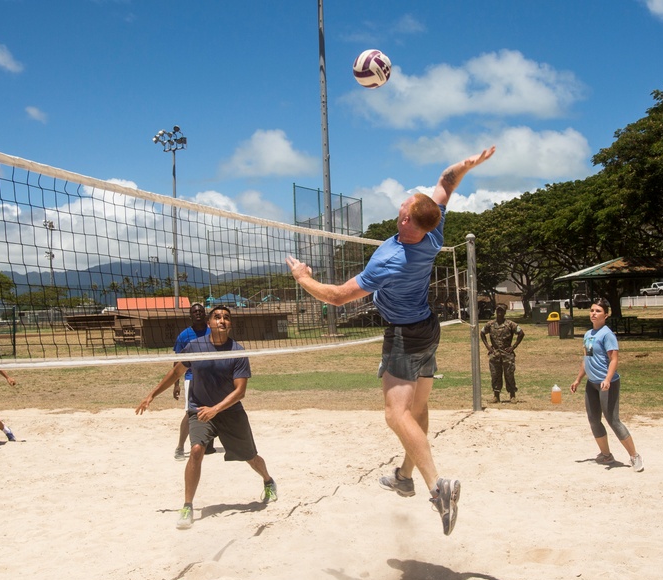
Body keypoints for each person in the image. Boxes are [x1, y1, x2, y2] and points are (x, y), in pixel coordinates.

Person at [286, 146, 496, 536]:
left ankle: (437, 487)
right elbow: (446, 183)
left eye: (405, 203)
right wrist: (467, 166)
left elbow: (334, 297)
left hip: (404, 335)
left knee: (395, 415)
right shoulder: (433, 230)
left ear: (404, 218)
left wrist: (302, 277)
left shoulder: (390, 260)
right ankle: (404, 475)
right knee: (417, 409)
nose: (404, 201)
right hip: (427, 327)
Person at [136, 305, 278, 530]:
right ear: (210, 323)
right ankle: (187, 506)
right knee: (195, 450)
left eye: (226, 318)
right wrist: (151, 395)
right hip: (200, 410)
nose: (222, 320)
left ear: (230, 325)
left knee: (250, 457)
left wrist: (216, 409)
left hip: (230, 412)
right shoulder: (195, 346)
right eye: (217, 317)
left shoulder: (237, 352)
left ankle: (268, 480)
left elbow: (240, 392)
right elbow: (176, 372)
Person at [569, 298, 644, 472]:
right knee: (594, 420)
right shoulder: (588, 334)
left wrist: (608, 379)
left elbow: (614, 359)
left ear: (606, 315)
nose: (593, 313)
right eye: (592, 310)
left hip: (607, 383)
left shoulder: (607, 334)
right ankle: (606, 455)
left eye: (598, 311)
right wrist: (578, 379)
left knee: (613, 420)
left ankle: (634, 456)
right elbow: (586, 359)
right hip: (592, 384)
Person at [171, 302, 210, 460]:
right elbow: (178, 362)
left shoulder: (212, 331)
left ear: (205, 314)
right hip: (191, 378)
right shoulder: (184, 335)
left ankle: (208, 444)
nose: (198, 314)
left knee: (218, 409)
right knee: (191, 413)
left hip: (212, 377)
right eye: (195, 312)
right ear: (190, 316)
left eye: (201, 311)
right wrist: (176, 384)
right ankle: (180, 447)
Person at [480, 304, 525, 403]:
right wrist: (488, 346)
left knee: (509, 374)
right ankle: (496, 396)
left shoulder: (510, 324)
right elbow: (482, 333)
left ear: (505, 312)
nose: (499, 313)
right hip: (495, 353)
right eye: (498, 311)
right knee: (495, 374)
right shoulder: (490, 324)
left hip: (507, 354)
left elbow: (521, 333)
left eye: (502, 311)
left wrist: (513, 346)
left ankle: (512, 395)